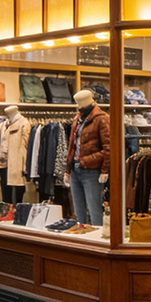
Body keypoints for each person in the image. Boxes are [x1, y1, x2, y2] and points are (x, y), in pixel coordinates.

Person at [65, 90, 110, 225]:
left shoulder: (102, 118)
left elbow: (109, 148)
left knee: (94, 210)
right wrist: (68, 169)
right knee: (78, 212)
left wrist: (104, 170)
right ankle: (81, 242)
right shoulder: (77, 119)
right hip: (75, 170)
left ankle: (98, 243)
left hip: (91, 171)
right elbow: (72, 146)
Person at [0, 105, 31, 205]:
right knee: (5, 193)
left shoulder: (24, 124)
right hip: (3, 163)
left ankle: (16, 213)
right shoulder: (3, 125)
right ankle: (7, 213)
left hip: (17, 164)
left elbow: (25, 147)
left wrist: (25, 166)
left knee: (18, 190)